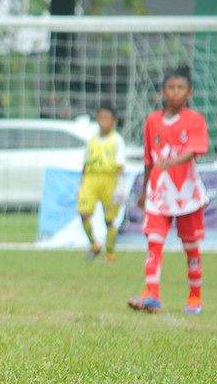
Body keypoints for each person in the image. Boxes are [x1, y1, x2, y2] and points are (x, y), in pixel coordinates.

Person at [128, 68, 208, 315]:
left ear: (189, 92)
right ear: (163, 91)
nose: (175, 92)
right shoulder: (152, 120)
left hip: (186, 193)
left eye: (180, 88)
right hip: (158, 191)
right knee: (154, 242)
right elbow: (149, 158)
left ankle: (195, 298)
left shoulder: (195, 120)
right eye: (171, 87)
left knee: (191, 247)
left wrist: (169, 163)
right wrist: (143, 190)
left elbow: (192, 151)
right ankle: (152, 295)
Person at [77, 102, 127, 263]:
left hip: (109, 180)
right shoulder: (91, 141)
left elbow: (120, 166)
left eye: (106, 118)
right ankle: (94, 245)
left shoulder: (117, 141)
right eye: (100, 118)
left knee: (109, 220)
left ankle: (110, 254)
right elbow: (85, 164)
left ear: (114, 121)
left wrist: (120, 186)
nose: (102, 121)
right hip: (91, 179)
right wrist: (81, 183)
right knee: (83, 212)